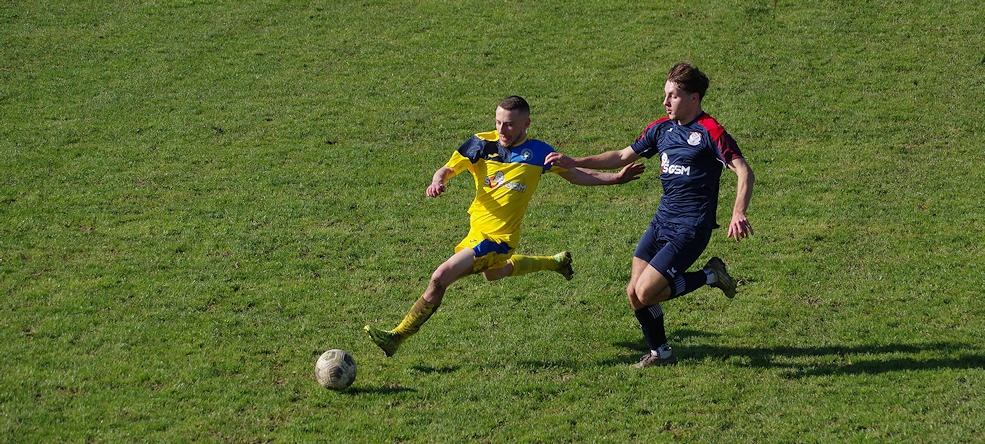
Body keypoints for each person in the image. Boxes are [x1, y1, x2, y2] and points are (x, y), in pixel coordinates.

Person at [364, 95, 645, 357]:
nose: (502, 130)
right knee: (493, 273)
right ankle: (555, 262)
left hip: (499, 240)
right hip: (476, 232)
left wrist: (615, 179)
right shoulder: (481, 144)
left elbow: (577, 174)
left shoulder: (539, 153)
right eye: (498, 122)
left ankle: (397, 337)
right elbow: (448, 168)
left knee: (440, 277)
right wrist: (438, 180)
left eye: (509, 124)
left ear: (526, 124)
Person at [545, 62, 755, 367]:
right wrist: (574, 160)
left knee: (646, 292)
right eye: (665, 94)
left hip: (691, 227)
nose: (665, 101)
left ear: (694, 98)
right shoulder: (661, 129)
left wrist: (738, 211)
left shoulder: (711, 131)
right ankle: (661, 353)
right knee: (634, 292)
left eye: (673, 96)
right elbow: (621, 156)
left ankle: (710, 275)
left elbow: (744, 171)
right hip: (662, 221)